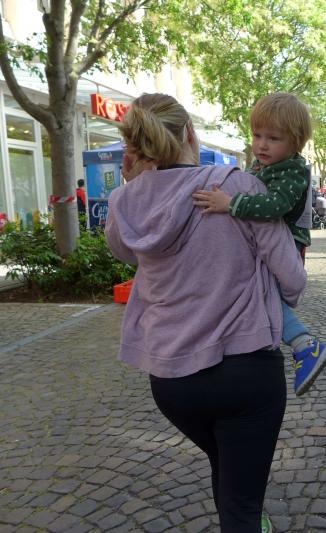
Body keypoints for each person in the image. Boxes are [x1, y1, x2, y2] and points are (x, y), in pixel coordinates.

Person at [106, 93, 306, 532]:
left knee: (228, 470)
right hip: (246, 372)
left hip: (172, 380)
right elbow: (293, 281)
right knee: (242, 504)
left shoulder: (125, 200)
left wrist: (133, 187)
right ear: (190, 134)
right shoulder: (235, 187)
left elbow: (125, 252)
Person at [191, 92, 326, 395]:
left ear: (295, 142)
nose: (262, 145)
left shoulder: (293, 170)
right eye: (257, 135)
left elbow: (274, 206)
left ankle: (305, 345)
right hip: (269, 244)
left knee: (267, 295)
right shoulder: (264, 164)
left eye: (273, 138)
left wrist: (230, 203)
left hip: (288, 245)